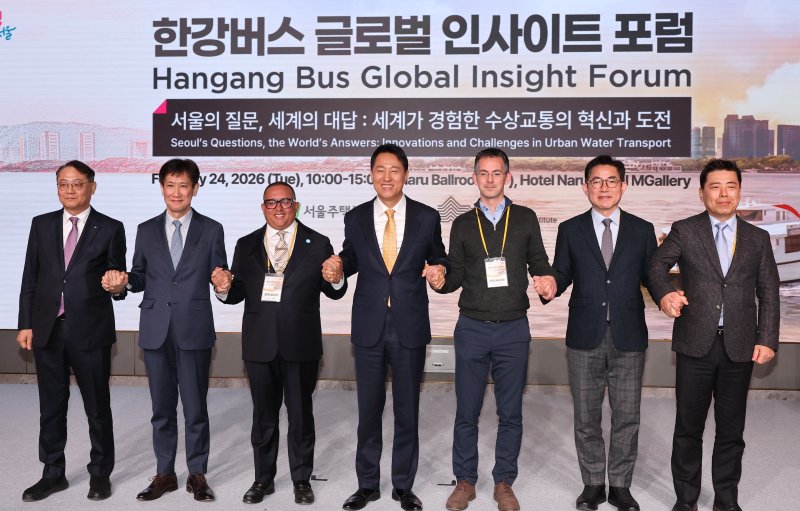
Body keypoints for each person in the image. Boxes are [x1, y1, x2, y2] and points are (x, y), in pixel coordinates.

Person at [648, 158, 779, 511]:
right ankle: (686, 500)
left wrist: (767, 338)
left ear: (739, 191)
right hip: (695, 344)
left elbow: (769, 291)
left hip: (741, 346)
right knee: (688, 428)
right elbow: (656, 265)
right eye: (715, 187)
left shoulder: (758, 238)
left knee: (731, 430)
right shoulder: (685, 230)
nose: (723, 194)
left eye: (730, 186)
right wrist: (665, 294)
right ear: (702, 193)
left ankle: (726, 499)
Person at [322, 143, 447, 511]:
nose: (387, 177)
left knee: (407, 410)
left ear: (406, 175)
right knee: (369, 410)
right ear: (371, 175)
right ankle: (367, 485)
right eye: (380, 170)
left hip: (409, 323)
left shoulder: (426, 216)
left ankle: (403, 486)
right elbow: (351, 258)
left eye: (394, 170)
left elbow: (438, 256)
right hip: (369, 325)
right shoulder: (356, 217)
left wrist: (440, 270)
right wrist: (338, 269)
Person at [434, 148, 557, 511]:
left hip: (513, 328)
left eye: (497, 173)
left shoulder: (525, 218)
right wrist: (439, 281)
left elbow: (539, 262)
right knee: (466, 411)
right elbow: (454, 275)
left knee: (510, 412)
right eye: (483, 173)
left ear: (508, 177)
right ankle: (465, 481)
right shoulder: (462, 223)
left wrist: (547, 281)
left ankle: (504, 482)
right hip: (471, 327)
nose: (490, 179)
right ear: (474, 177)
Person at [213, 182, 347, 505]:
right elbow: (236, 293)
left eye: (285, 202)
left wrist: (337, 278)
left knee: (300, 415)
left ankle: (301, 479)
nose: (278, 208)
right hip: (259, 344)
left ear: (296, 206)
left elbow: (335, 291)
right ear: (263, 208)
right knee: (263, 417)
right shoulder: (246, 244)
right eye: (271, 203)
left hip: (301, 343)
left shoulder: (318, 242)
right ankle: (263, 479)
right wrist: (222, 288)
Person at [103, 158, 227, 502]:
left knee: (195, 407)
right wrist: (124, 283)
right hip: (155, 328)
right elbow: (139, 275)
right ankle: (165, 473)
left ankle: (197, 474)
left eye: (183, 185)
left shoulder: (212, 229)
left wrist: (223, 283)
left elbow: (220, 273)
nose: (176, 192)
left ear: (195, 189)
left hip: (194, 328)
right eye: (170, 185)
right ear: (161, 188)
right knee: (161, 408)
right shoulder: (145, 230)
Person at [546, 155, 656, 511]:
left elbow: (652, 277)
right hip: (584, 334)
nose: (604, 188)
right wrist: (550, 285)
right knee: (586, 416)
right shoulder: (570, 228)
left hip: (629, 334)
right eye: (596, 181)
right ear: (585, 187)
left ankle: (620, 486)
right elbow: (562, 273)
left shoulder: (642, 229)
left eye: (611, 181)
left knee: (627, 416)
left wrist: (668, 295)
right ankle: (593, 484)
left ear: (624, 186)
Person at [17, 160, 126, 502]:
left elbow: (117, 278)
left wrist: (117, 285)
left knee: (97, 408)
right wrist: (26, 323)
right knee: (51, 407)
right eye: (63, 184)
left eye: (77, 183)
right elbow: (30, 277)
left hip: (90, 332)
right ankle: (53, 473)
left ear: (92, 187)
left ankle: (100, 474)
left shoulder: (111, 228)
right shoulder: (41, 224)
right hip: (47, 330)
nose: (70, 190)